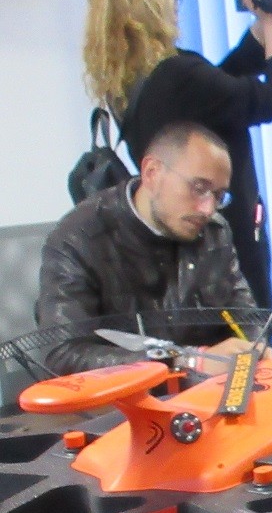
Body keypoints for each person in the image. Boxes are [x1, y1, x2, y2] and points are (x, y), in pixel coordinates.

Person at [82, 0, 272, 312]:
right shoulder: (178, 75)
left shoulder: (132, 77)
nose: (176, 8)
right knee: (247, 333)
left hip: (178, 230)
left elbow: (221, 87)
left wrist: (262, 26)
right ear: (153, 6)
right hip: (219, 232)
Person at [36, 122, 258, 375]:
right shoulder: (78, 238)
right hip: (127, 394)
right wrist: (184, 360)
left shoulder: (214, 231)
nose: (208, 209)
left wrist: (255, 345)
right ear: (152, 172)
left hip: (206, 388)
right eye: (198, 188)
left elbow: (245, 316)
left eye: (218, 196)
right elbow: (62, 353)